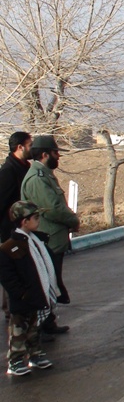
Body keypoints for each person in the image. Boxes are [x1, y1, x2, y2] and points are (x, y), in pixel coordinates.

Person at [20, 135, 77, 334]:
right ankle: (40, 327)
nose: (58, 156)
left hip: (54, 238)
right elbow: (52, 209)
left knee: (52, 282)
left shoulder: (45, 175)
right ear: (45, 154)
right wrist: (73, 221)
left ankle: (48, 322)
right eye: (55, 152)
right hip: (48, 238)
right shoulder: (37, 179)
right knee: (45, 285)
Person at [0, 201, 57, 375]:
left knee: (35, 328)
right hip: (23, 300)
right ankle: (15, 361)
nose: (38, 220)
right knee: (19, 331)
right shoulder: (10, 248)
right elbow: (7, 277)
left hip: (36, 295)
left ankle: (35, 355)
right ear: (24, 221)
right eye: (36, 217)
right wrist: (22, 294)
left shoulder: (35, 241)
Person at [0, 132, 32, 322]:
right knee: (12, 270)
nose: (32, 148)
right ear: (20, 147)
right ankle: (11, 310)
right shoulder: (8, 172)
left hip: (21, 231)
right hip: (11, 232)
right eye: (29, 145)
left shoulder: (23, 168)